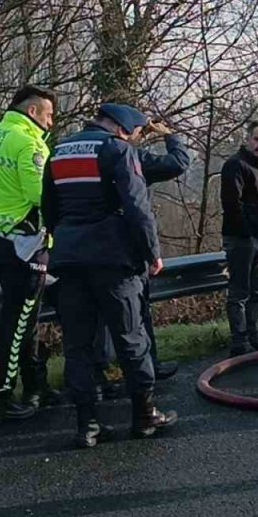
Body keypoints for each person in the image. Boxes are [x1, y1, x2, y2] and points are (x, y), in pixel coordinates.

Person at [43, 103, 177, 448]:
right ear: (121, 128)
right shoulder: (118, 150)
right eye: (134, 132)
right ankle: (145, 417)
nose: (134, 138)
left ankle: (87, 425)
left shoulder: (58, 152)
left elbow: (50, 208)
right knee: (131, 339)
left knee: (77, 346)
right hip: (113, 260)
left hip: (70, 261)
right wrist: (152, 253)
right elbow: (136, 206)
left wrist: (66, 240)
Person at [0, 85, 62, 422]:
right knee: (17, 320)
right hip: (27, 243)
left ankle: (37, 385)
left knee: (25, 318)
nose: (50, 124)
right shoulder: (29, 143)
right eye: (48, 115)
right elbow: (41, 195)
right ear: (33, 111)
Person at [90, 114, 191, 390]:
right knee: (135, 316)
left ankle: (101, 378)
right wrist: (170, 135)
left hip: (86, 247)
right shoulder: (130, 156)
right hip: (124, 248)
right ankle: (144, 378)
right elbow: (178, 163)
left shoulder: (86, 153)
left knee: (96, 319)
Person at [220, 120, 258, 356]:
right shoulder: (235, 165)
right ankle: (239, 341)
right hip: (241, 238)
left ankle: (253, 336)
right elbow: (231, 203)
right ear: (247, 139)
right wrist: (246, 232)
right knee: (239, 291)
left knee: (257, 290)